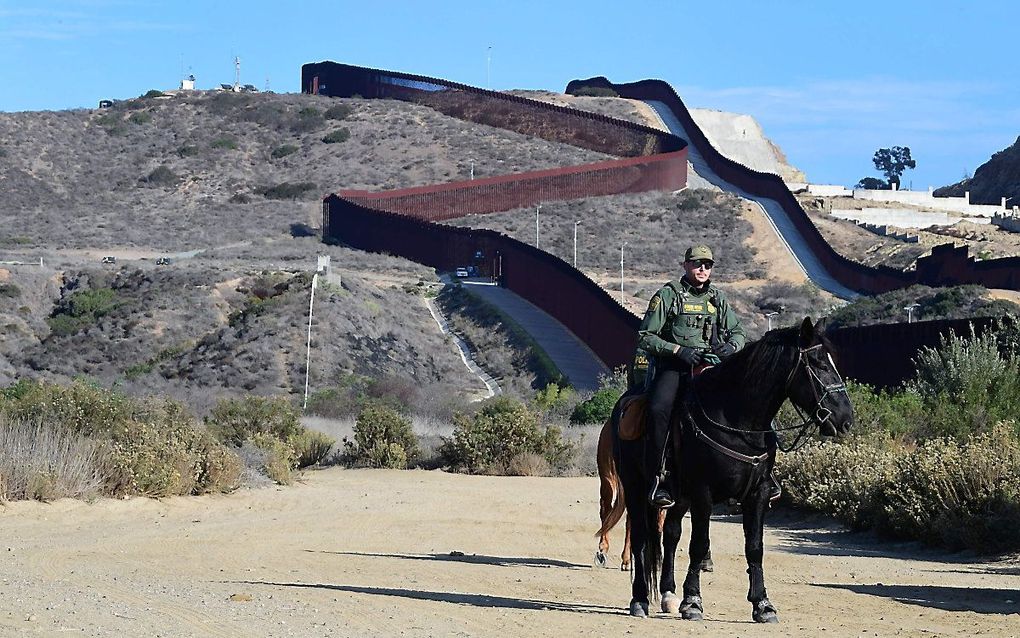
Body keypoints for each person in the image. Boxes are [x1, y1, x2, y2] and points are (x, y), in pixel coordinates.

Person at [637, 244, 746, 508]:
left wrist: (730, 347)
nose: (702, 269)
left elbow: (739, 333)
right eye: (697, 264)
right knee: (658, 409)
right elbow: (645, 337)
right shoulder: (668, 295)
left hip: (710, 367)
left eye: (707, 265)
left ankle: (758, 475)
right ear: (686, 265)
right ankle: (659, 478)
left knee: (749, 401)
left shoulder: (718, 298)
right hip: (675, 367)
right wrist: (677, 350)